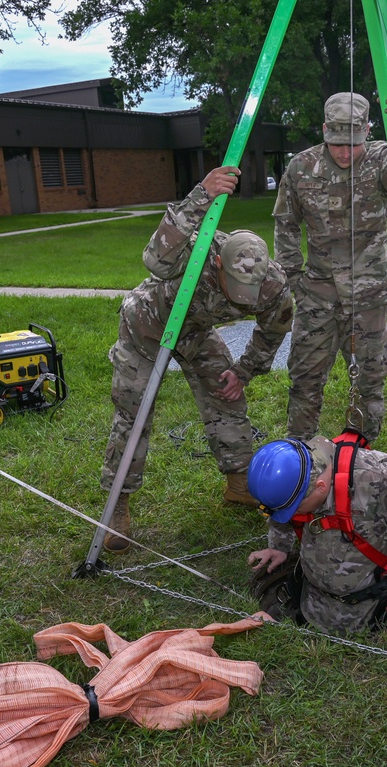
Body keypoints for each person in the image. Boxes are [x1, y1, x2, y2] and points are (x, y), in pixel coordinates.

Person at [101, 165, 293, 553]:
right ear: (219, 263)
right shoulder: (197, 250)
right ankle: (117, 504)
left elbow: (274, 329)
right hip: (149, 328)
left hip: (196, 332)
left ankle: (239, 483)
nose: (242, 297)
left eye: (249, 291)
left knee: (227, 391)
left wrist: (244, 370)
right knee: (134, 412)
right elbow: (154, 258)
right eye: (234, 287)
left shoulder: (271, 284)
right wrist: (201, 194)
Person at [273, 83, 387, 444]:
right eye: (337, 143)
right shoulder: (301, 167)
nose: (346, 152)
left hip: (369, 294)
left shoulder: (383, 158)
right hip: (317, 294)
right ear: (323, 131)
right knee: (305, 375)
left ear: (368, 130)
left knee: (370, 376)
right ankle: (300, 450)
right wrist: (293, 280)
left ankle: (363, 453)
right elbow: (286, 223)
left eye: (353, 143)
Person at [245, 434, 387, 635]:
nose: (294, 516)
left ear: (320, 487)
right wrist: (279, 547)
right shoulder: (297, 468)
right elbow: (279, 509)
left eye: (295, 509)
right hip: (311, 594)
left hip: (374, 604)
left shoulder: (382, 481)